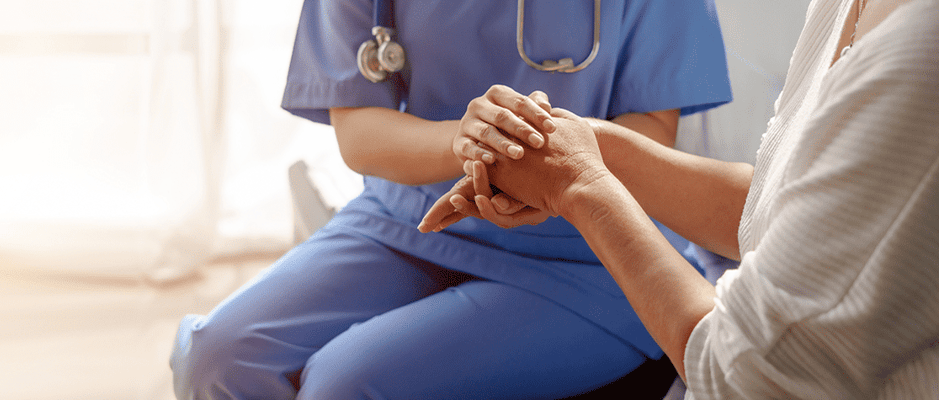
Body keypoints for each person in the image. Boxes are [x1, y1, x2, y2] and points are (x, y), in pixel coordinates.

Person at [168, 0, 732, 398]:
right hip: (409, 221)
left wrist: (532, 161)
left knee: (345, 384)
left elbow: (651, 133)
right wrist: (469, 141)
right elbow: (359, 131)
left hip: (587, 254)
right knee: (218, 358)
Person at [423, 0, 939, 397]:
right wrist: (585, 145)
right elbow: (790, 212)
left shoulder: (920, 51)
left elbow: (745, 379)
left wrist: (580, 185)